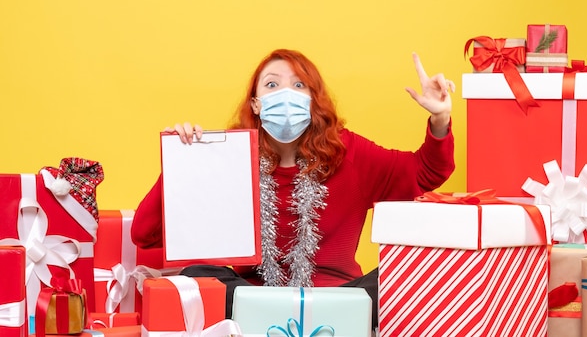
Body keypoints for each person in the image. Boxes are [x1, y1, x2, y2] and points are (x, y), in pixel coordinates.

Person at [131, 48, 455, 327]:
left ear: (313, 101)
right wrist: (182, 161)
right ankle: (270, 311)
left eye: (299, 85)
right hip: (250, 297)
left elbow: (424, 173)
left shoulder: (348, 152)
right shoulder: (229, 156)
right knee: (196, 275)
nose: (286, 94)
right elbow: (145, 233)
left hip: (337, 299)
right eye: (272, 84)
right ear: (256, 104)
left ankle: (310, 313)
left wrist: (440, 120)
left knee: (401, 278)